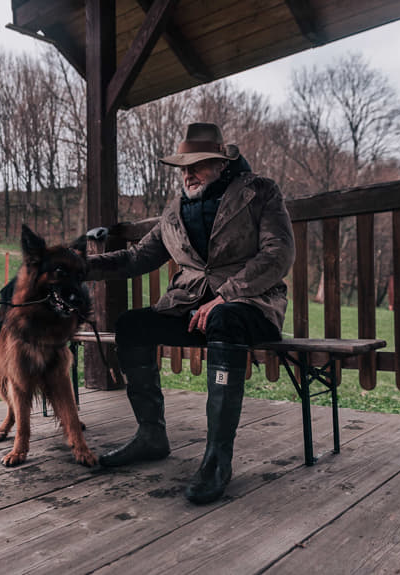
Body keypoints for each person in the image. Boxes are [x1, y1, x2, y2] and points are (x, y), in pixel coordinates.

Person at [87, 122, 295, 504]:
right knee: (131, 325)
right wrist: (83, 266)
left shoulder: (259, 191)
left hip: (250, 306)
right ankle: (151, 435)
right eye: (183, 166)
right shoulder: (175, 210)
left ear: (220, 161)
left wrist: (227, 295)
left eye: (196, 164)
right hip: (189, 307)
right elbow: (137, 258)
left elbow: (278, 253)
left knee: (223, 318)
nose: (187, 173)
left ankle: (217, 457)